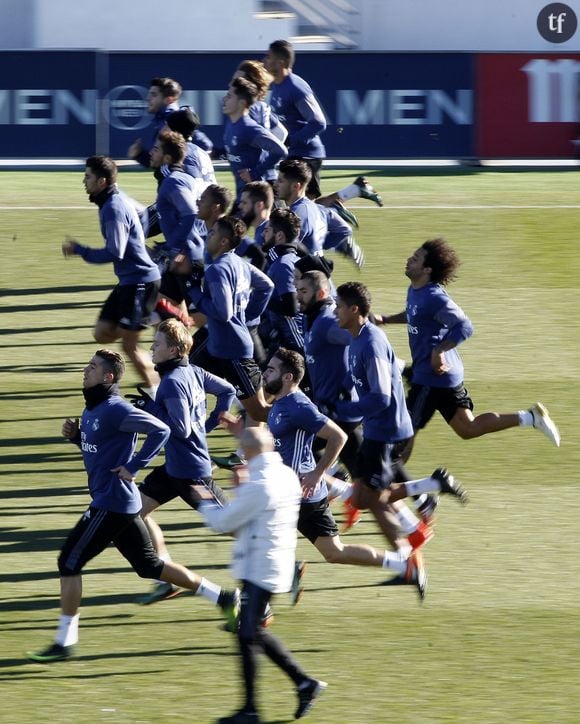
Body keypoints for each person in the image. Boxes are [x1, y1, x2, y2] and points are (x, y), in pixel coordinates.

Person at [26, 349, 239, 663]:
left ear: (109, 377)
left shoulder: (115, 408)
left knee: (69, 562)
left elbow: (162, 430)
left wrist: (136, 465)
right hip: (120, 503)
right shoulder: (93, 408)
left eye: (93, 367)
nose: (86, 370)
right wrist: (77, 437)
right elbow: (99, 447)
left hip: (112, 503)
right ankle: (223, 596)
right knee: (150, 567)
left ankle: (64, 642)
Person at [224, 348, 438, 602]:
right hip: (287, 491)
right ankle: (403, 566)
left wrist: (317, 473)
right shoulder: (280, 404)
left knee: (246, 528)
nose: (264, 372)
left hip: (300, 494)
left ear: (288, 377)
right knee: (332, 552)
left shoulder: (299, 406)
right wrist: (242, 435)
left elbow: (339, 436)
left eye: (270, 369)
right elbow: (280, 441)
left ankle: (259, 601)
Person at [333, 281, 468, 588]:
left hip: (384, 431)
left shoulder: (369, 342)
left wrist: (345, 409)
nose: (334, 311)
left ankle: (409, 562)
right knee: (369, 497)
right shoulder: (358, 338)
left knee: (370, 498)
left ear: (354, 310)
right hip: (382, 428)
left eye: (339, 306)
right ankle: (430, 490)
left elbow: (380, 395)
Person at [375, 239, 561, 459]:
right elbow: (414, 313)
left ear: (427, 269)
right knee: (467, 428)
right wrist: (386, 319)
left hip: (431, 377)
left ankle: (392, 487)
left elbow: (465, 326)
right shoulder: (416, 290)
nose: (409, 260)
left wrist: (439, 351)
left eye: (415, 259)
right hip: (442, 375)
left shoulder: (435, 297)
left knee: (403, 433)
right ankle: (531, 417)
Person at [193, 427, 327, 724]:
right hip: (272, 561)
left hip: (259, 566)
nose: (239, 452)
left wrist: (204, 496)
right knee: (253, 632)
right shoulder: (284, 475)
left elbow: (223, 521)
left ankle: (251, 710)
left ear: (251, 451)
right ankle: (305, 684)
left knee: (246, 635)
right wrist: (242, 487)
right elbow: (260, 514)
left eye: (242, 447)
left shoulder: (261, 484)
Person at [128, 319, 237, 605]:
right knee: (134, 512)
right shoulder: (194, 371)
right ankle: (164, 576)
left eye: (157, 345)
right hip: (173, 469)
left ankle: (286, 567)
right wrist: (212, 421)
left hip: (192, 475)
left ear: (175, 350)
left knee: (230, 525)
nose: (151, 348)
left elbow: (181, 429)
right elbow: (227, 391)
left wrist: (148, 408)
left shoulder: (173, 383)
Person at [62, 156, 160, 390]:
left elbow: (115, 251)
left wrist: (80, 250)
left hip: (140, 282)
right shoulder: (112, 200)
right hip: (130, 281)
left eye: (88, 177)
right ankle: (147, 319)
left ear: (102, 181)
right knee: (102, 332)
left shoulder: (113, 208)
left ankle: (157, 393)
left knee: (129, 346)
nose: (84, 181)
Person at [264, 39, 384, 213]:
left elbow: (319, 122)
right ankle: (352, 192)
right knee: (301, 207)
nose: (264, 60)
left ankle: (336, 211)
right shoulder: (277, 86)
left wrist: (291, 140)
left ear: (281, 62)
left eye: (268, 57)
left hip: (306, 154)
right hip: (295, 153)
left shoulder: (295, 87)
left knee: (299, 209)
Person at [187, 216, 274, 422]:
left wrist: (194, 292)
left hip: (234, 353)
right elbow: (266, 286)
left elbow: (223, 313)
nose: (208, 236)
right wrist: (249, 315)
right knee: (185, 381)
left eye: (213, 233)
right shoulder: (239, 263)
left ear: (224, 241)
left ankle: (307, 422)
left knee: (259, 412)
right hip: (218, 348)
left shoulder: (217, 270)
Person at [275, 159, 365, 268]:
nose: (275, 184)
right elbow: (344, 230)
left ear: (296, 186)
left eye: (280, 181)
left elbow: (285, 247)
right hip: (318, 277)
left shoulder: (297, 214)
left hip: (305, 278)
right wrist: (318, 244)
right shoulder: (319, 208)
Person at [223, 77, 288, 204]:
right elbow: (236, 150)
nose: (224, 99)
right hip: (245, 194)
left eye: (229, 96)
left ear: (241, 103)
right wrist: (214, 152)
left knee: (282, 223)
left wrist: (255, 173)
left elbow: (280, 150)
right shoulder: (232, 124)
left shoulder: (249, 128)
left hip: (262, 194)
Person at [127, 77, 182, 168]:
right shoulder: (164, 119)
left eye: (154, 95)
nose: (148, 98)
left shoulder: (175, 120)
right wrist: (139, 155)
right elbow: (164, 162)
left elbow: (203, 145)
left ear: (169, 99)